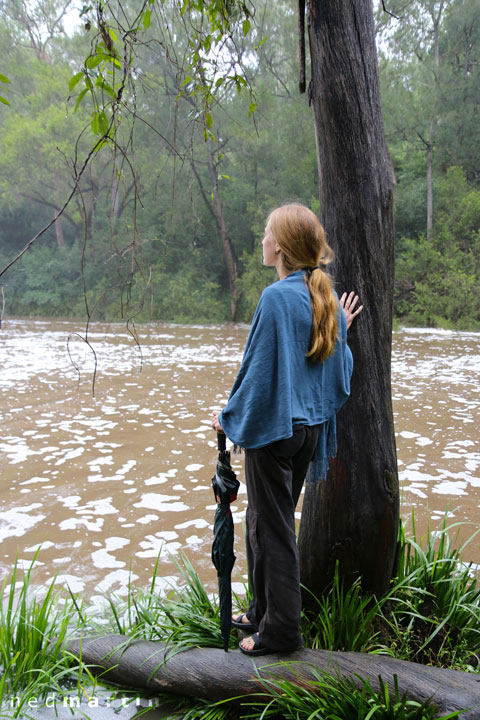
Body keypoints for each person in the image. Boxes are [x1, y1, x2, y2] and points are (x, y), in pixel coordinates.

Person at [211, 203, 362, 656]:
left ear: (280, 246)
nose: (261, 240)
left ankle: (282, 632)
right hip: (307, 433)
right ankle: (261, 610)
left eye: (265, 233)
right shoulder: (323, 298)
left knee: (273, 531)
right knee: (261, 519)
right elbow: (333, 363)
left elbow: (257, 371)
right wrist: (342, 326)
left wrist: (228, 415)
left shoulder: (277, 298)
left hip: (276, 434)